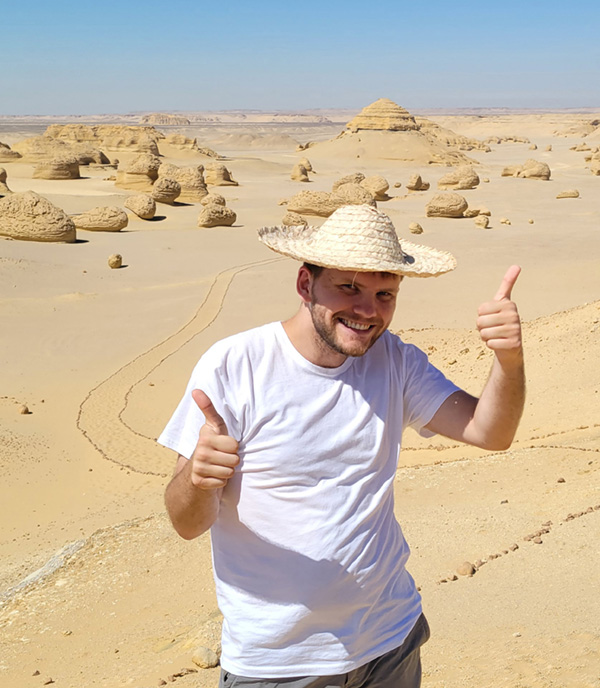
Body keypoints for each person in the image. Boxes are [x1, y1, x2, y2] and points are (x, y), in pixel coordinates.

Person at [159, 204, 525, 688]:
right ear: (305, 285)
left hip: (390, 642)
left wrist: (509, 358)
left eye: (384, 294)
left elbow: (491, 433)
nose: (368, 310)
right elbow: (187, 523)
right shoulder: (235, 366)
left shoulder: (397, 363)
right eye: (348, 288)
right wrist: (199, 479)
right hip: (279, 664)